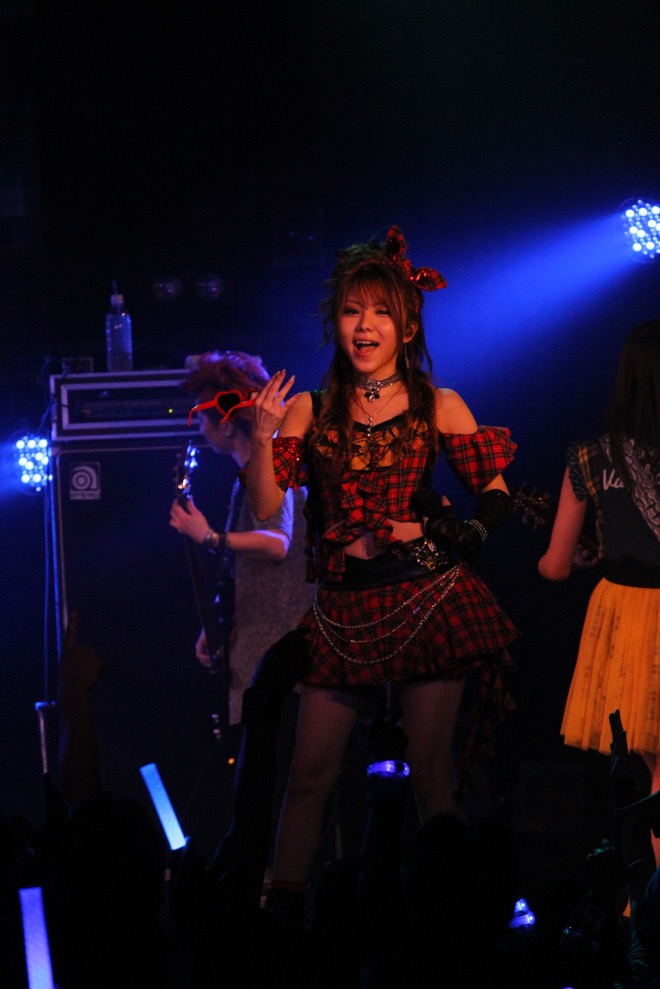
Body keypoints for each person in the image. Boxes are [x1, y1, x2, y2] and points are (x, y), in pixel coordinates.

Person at [245, 224, 520, 919]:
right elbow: (266, 504)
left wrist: (439, 533)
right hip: (343, 609)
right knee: (309, 775)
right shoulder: (310, 408)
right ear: (335, 322)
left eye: (379, 312)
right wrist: (259, 436)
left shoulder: (438, 403)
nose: (364, 326)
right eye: (350, 311)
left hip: (425, 597)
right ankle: (284, 925)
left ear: (407, 325)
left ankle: (450, 925)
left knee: (431, 775)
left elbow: (497, 499)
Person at [537, 319, 660, 864]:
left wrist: (578, 558)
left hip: (628, 614)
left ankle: (647, 895)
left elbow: (555, 566)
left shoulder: (590, 456)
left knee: (647, 768)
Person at [169, 350, 315, 751]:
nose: (200, 429)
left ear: (227, 423)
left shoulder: (268, 471)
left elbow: (277, 541)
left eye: (202, 418)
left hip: (278, 667)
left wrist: (210, 537)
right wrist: (219, 625)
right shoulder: (251, 477)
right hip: (261, 660)